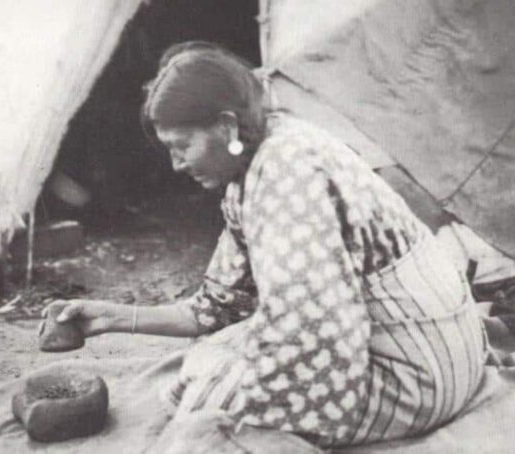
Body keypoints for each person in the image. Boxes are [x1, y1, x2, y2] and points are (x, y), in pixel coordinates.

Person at [47, 42, 488, 448]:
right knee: (211, 361)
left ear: (225, 126)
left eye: (183, 145)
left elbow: (317, 329)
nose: (176, 163)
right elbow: (217, 308)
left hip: (422, 372)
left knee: (209, 403)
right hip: (427, 343)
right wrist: (110, 317)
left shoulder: (286, 175)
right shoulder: (260, 158)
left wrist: (237, 417)